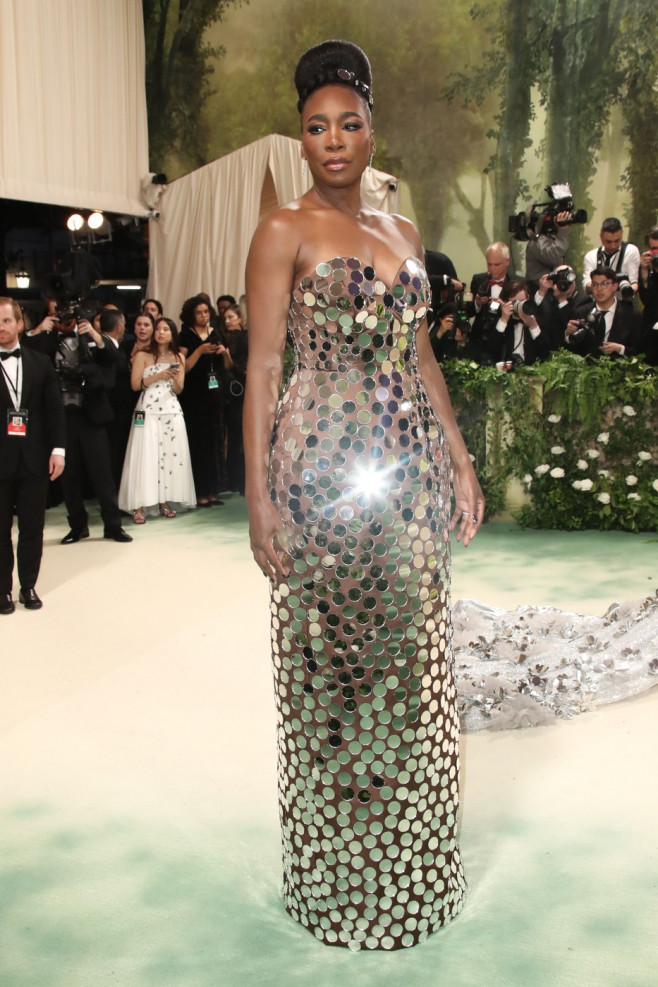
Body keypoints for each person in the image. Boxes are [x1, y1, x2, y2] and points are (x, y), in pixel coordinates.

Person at [244, 39, 484, 952]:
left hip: (408, 471)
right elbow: (265, 365)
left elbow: (421, 356)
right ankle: (336, 846)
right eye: (316, 127)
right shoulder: (284, 230)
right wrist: (261, 498)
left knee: (405, 644)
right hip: (320, 471)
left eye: (349, 123)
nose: (334, 140)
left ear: (372, 129)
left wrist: (459, 458)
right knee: (329, 651)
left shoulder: (405, 235)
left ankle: (397, 825)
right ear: (301, 141)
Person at [0, 297, 65, 613]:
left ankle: (27, 585)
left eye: (6, 320)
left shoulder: (40, 362)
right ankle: (2, 590)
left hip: (35, 458)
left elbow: (54, 410)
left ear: (20, 323)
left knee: (31, 528)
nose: (1, 327)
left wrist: (58, 450)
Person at [118, 317, 196, 522]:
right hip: (148, 408)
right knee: (145, 455)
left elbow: (179, 389)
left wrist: (173, 378)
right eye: (158, 329)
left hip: (171, 408)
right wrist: (158, 376)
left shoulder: (179, 356)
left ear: (172, 333)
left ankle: (165, 500)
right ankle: (139, 504)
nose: (161, 332)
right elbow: (135, 385)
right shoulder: (143, 355)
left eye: (166, 329)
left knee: (170, 456)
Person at [178, 294, 233, 506]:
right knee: (198, 444)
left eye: (206, 312)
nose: (204, 315)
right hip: (194, 396)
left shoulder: (216, 332)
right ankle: (200, 492)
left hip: (215, 394)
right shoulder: (186, 335)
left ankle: (213, 490)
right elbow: (184, 367)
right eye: (199, 312)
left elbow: (228, 366)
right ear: (191, 315)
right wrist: (200, 350)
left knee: (216, 443)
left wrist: (223, 353)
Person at [566, 266, 641, 357]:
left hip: (621, 368)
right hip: (587, 368)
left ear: (615, 286)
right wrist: (568, 335)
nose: (599, 289)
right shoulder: (580, 313)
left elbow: (639, 350)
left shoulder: (631, 314)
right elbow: (572, 351)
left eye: (604, 284)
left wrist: (620, 349)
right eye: (595, 284)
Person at [493, 278, 552, 365]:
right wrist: (503, 320)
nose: (518, 305)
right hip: (506, 371)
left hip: (531, 372)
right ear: (506, 302)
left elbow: (545, 354)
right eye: (514, 302)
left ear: (528, 297)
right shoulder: (501, 320)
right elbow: (492, 350)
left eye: (522, 301)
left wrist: (533, 326)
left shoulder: (539, 318)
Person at [223, 304, 248, 494]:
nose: (228, 321)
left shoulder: (242, 337)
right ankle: (237, 480)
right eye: (226, 318)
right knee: (237, 436)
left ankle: (238, 480)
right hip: (237, 389)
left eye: (231, 317)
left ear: (240, 317)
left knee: (239, 436)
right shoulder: (231, 338)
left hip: (241, 389)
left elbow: (234, 365)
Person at [582, 217, 640, 294]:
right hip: (598, 304)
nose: (613, 246)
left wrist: (628, 291)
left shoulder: (631, 251)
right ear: (601, 237)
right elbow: (587, 285)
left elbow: (634, 283)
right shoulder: (591, 256)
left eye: (617, 241)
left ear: (622, 234)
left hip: (623, 302)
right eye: (608, 242)